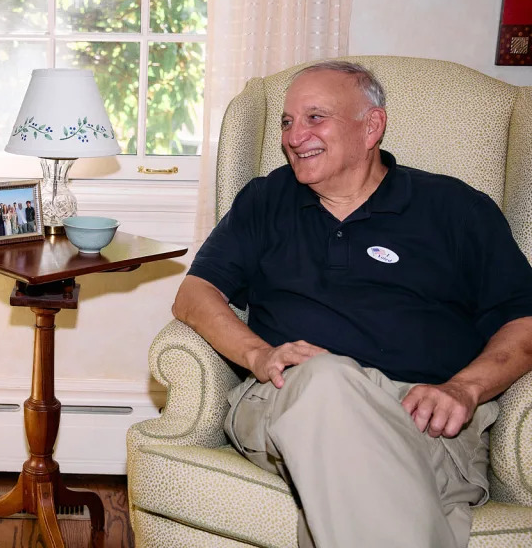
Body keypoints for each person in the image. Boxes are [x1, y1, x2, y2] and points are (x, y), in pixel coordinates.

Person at [172, 60, 532, 548]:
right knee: (327, 381)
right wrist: (258, 354)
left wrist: (464, 389)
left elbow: (523, 320)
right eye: (286, 121)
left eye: (315, 118)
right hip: (292, 395)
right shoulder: (265, 200)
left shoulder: (456, 209)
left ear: (371, 127)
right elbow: (194, 294)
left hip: (424, 415)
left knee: (364, 488)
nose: (294, 137)